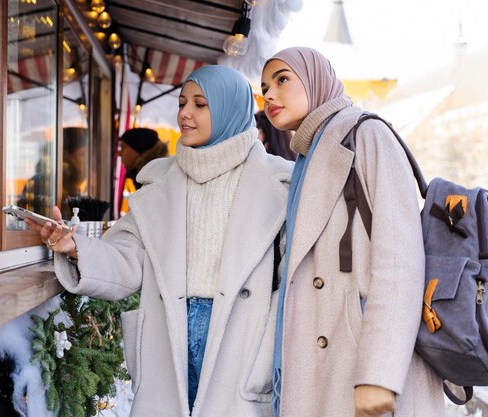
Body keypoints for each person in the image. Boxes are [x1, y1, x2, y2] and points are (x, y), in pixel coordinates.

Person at [26, 65, 294, 417]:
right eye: (182, 102)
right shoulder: (159, 182)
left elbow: (296, 275)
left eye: (200, 104)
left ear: (229, 108)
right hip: (169, 332)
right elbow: (127, 259)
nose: (184, 113)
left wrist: (270, 331)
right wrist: (74, 247)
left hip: (242, 338)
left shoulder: (280, 183)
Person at [261, 47, 444, 417]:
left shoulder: (366, 134)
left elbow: (400, 259)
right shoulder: (307, 157)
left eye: (282, 80)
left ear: (316, 81)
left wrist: (379, 374)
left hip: (365, 364)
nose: (268, 94)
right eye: (264, 86)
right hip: (327, 365)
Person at [118, 127, 169, 216]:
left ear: (137, 149)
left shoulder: (153, 180)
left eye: (123, 147)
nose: (119, 153)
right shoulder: (146, 176)